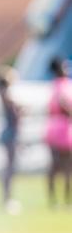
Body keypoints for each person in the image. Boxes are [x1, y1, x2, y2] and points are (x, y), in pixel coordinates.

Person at [44, 57, 72, 208]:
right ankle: (64, 199)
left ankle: (55, 200)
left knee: (56, 166)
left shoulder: (54, 85)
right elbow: (63, 104)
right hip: (63, 129)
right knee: (65, 166)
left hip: (55, 128)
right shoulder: (63, 85)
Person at [0, 67, 22, 214]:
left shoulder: (3, 95)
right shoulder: (6, 96)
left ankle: (7, 197)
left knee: (9, 167)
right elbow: (15, 115)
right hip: (11, 134)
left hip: (9, 133)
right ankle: (7, 198)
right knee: (10, 167)